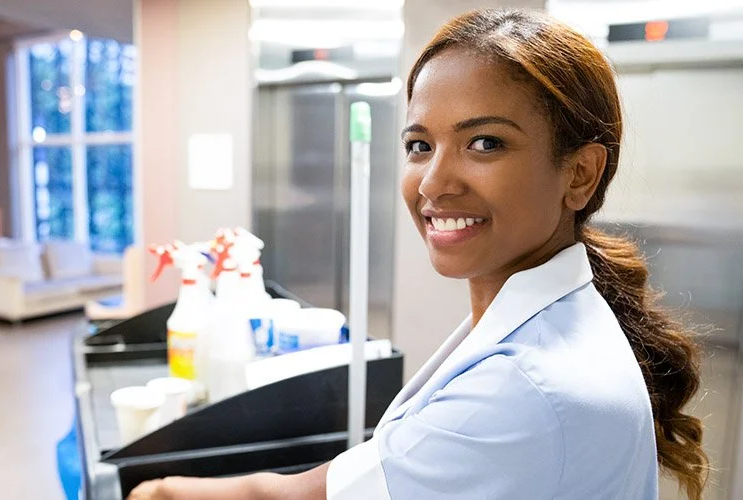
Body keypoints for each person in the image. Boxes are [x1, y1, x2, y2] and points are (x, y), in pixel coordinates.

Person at [129, 8, 708, 500]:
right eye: (419, 144)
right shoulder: (534, 326)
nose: (433, 182)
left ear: (579, 173)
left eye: (485, 143)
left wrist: (159, 492)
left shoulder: (525, 388)